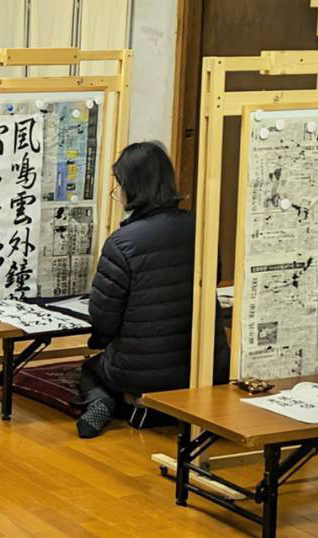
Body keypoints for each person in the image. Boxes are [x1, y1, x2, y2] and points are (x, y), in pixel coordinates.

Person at [77, 141, 228, 438]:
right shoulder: (201, 227)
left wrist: (100, 342)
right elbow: (214, 282)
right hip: (207, 366)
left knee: (91, 369)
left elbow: (103, 316)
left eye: (118, 185)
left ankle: (104, 403)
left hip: (140, 370)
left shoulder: (121, 243)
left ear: (131, 188)